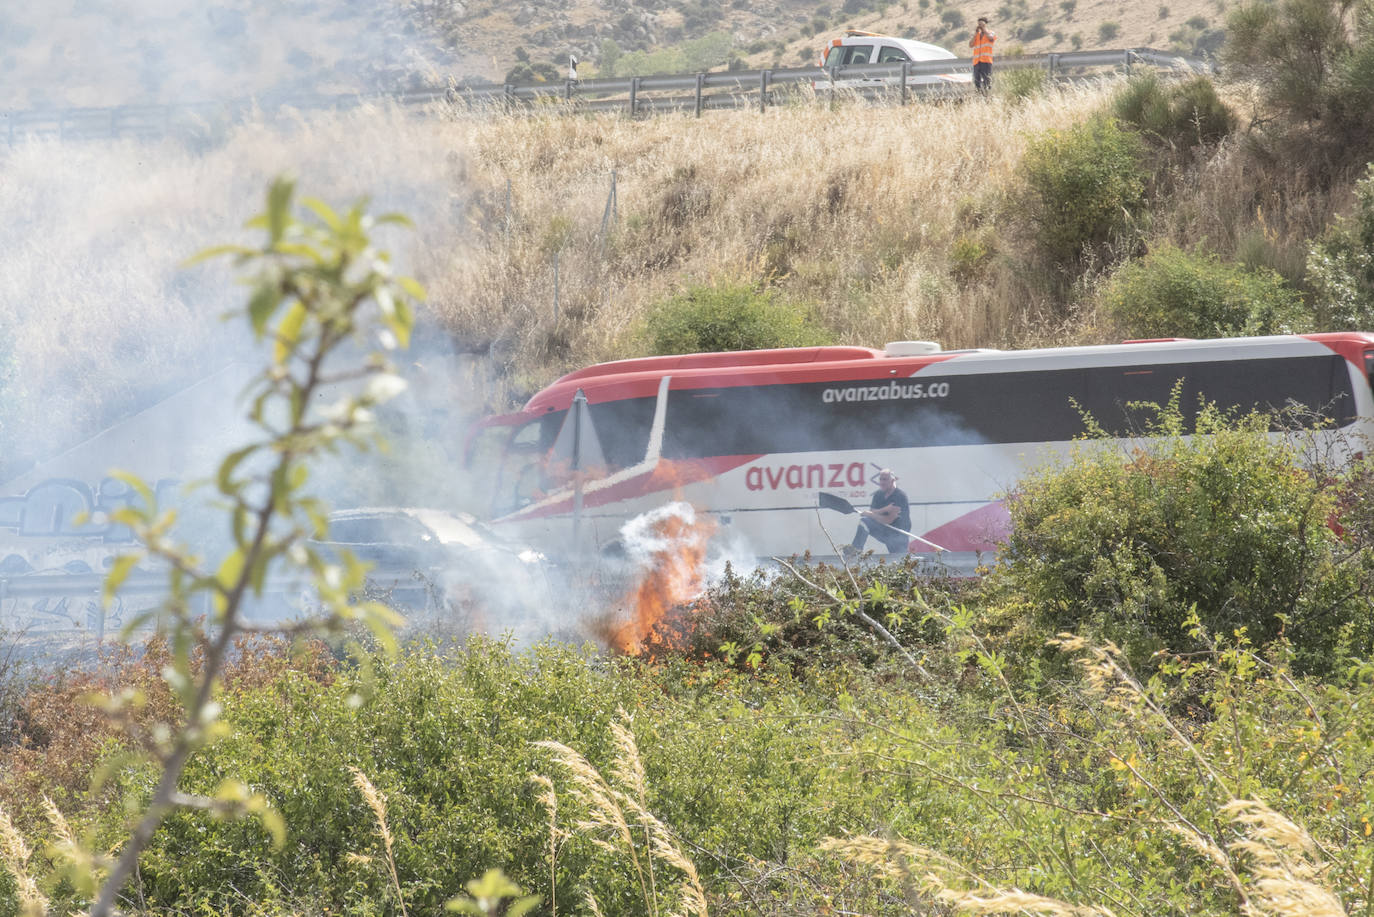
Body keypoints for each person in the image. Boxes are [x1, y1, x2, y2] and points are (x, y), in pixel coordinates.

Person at [845, 468, 911, 557]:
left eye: (885, 479)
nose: (882, 482)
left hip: (898, 535)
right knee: (865, 521)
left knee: (900, 562)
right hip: (884, 531)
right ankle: (855, 551)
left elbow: (888, 520)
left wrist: (871, 514)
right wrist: (884, 510)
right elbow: (872, 513)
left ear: (893, 481)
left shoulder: (900, 496)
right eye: (880, 479)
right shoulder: (878, 495)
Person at [969, 16, 996, 95]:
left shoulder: (991, 32)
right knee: (976, 80)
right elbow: (970, 45)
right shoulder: (977, 35)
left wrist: (984, 29)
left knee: (986, 79)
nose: (980, 26)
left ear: (985, 24)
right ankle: (979, 94)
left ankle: (987, 94)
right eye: (979, 24)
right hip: (977, 62)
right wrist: (975, 33)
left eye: (981, 24)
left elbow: (991, 38)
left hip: (986, 61)